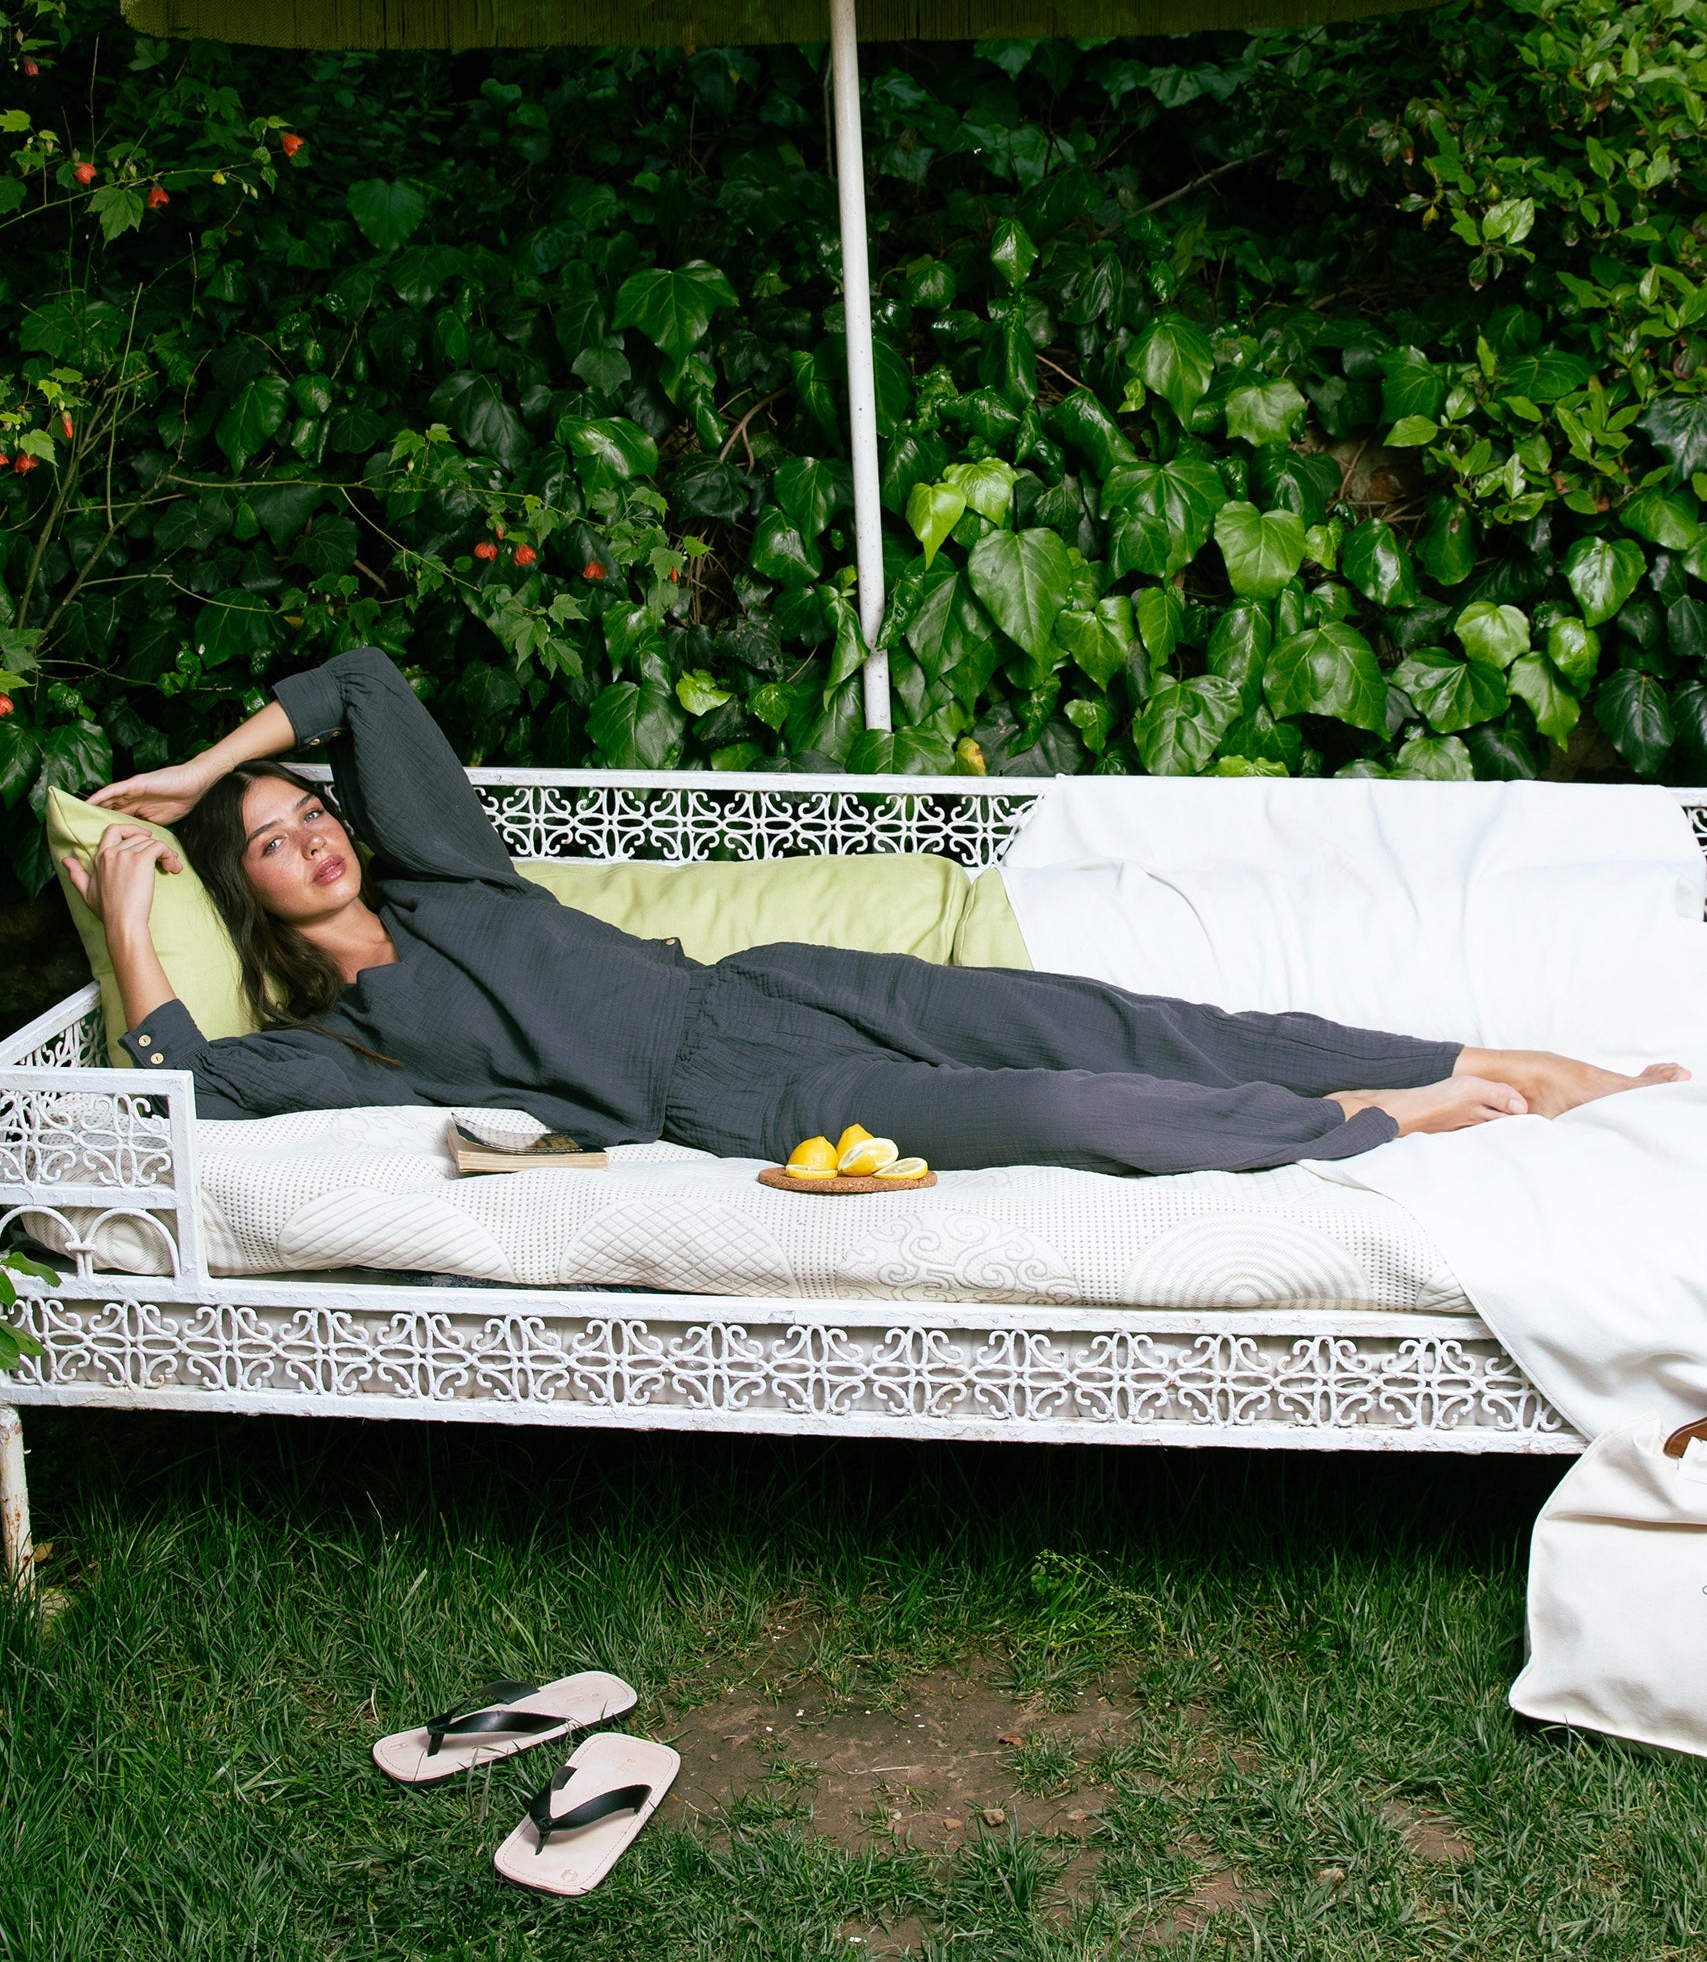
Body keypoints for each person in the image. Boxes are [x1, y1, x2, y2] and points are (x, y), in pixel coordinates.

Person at [64, 647, 1685, 1175]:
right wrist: (135, 913)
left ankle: (1488, 1057)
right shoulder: (348, 1041)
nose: (312, 839)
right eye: (268, 844)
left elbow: (360, 681)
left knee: (1112, 1020)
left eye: (309, 813)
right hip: (730, 1101)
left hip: (765, 983)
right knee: (1052, 1110)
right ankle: (1370, 1119)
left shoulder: (446, 874)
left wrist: (209, 763)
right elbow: (177, 1083)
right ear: (248, 899)